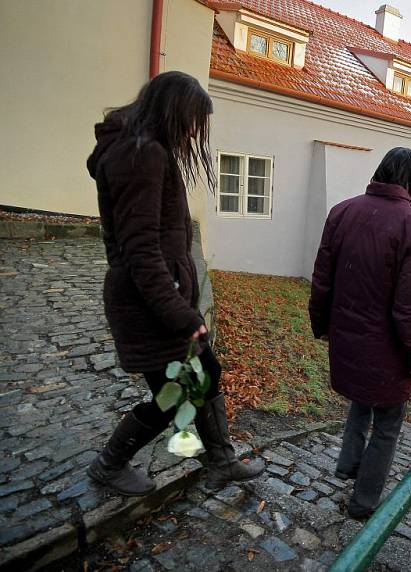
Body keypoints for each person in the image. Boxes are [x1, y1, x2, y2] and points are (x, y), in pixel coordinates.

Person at [86, 71, 264, 496]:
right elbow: (140, 250)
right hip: (146, 305)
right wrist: (180, 314)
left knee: (205, 373)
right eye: (190, 121)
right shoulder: (140, 154)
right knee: (172, 395)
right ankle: (109, 466)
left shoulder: (147, 150)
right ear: (172, 111)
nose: (191, 132)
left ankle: (221, 460)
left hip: (159, 300)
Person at [309, 147, 411, 519]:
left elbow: (321, 280)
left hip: (347, 338)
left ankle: (348, 466)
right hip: (388, 349)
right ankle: (364, 503)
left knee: (361, 401)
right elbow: (410, 309)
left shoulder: (342, 211)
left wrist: (322, 326)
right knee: (388, 424)